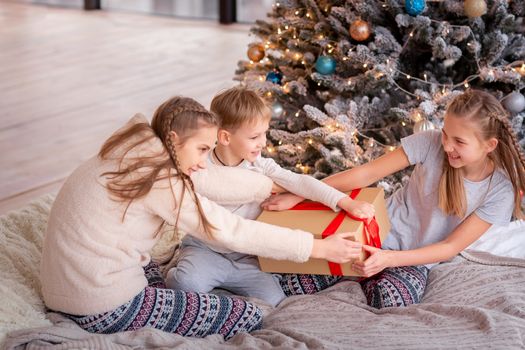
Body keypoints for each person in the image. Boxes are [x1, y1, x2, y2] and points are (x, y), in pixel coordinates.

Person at [40, 96, 365, 340]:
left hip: (68, 288)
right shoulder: (161, 180)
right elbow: (227, 230)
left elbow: (207, 180)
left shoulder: (138, 148)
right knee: (248, 314)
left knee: (158, 270)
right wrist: (318, 248)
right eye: (201, 151)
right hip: (100, 305)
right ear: (176, 141)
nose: (203, 161)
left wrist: (277, 185)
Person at [261, 89, 525, 308]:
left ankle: (361, 277)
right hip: (376, 233)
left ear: (490, 145)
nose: (446, 145)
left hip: (414, 258)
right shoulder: (430, 142)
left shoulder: (500, 189)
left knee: (391, 299)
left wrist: (387, 260)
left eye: (459, 141)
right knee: (286, 282)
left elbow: (449, 246)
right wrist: (300, 194)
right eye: (445, 133)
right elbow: (364, 174)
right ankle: (355, 276)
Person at [165, 87, 375, 307]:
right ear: (225, 137)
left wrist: (345, 201)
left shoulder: (261, 165)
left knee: (274, 302)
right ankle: (194, 275)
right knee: (184, 284)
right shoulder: (201, 163)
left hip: (248, 256)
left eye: (265, 133)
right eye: (255, 136)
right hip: (205, 250)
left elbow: (302, 182)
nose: (263, 142)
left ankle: (226, 292)